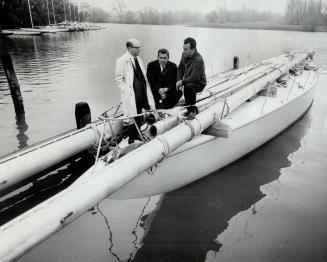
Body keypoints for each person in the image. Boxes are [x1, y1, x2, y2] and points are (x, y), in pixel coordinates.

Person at [115, 38, 156, 143]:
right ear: (129, 48)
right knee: (131, 115)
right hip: (131, 93)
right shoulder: (122, 61)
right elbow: (118, 80)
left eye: (139, 47)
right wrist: (127, 91)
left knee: (140, 111)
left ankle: (138, 134)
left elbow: (142, 76)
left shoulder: (139, 59)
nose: (139, 50)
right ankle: (131, 138)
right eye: (136, 48)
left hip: (141, 91)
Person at [176, 37, 206, 119]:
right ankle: (186, 105)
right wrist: (179, 80)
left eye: (186, 49)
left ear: (193, 50)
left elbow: (195, 78)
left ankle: (192, 110)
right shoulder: (184, 55)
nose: (183, 51)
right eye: (183, 49)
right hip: (189, 80)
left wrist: (182, 82)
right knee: (186, 84)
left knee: (189, 86)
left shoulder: (198, 59)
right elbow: (180, 68)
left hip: (199, 83)